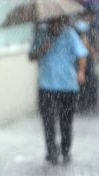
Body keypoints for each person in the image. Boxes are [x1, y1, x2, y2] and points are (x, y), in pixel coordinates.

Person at [29, 16, 88, 165]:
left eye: (58, 22)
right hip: (47, 85)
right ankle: (51, 151)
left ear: (62, 22)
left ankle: (65, 149)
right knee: (48, 120)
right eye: (52, 22)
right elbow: (31, 56)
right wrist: (42, 48)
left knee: (66, 121)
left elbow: (81, 54)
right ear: (49, 22)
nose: (56, 25)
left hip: (68, 85)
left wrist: (81, 71)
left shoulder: (69, 34)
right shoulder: (41, 35)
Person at [75, 9, 99, 113]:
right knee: (81, 85)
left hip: (88, 65)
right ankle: (81, 105)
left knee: (90, 84)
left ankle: (88, 105)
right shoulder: (74, 31)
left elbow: (97, 53)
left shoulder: (92, 31)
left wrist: (88, 47)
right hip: (77, 65)